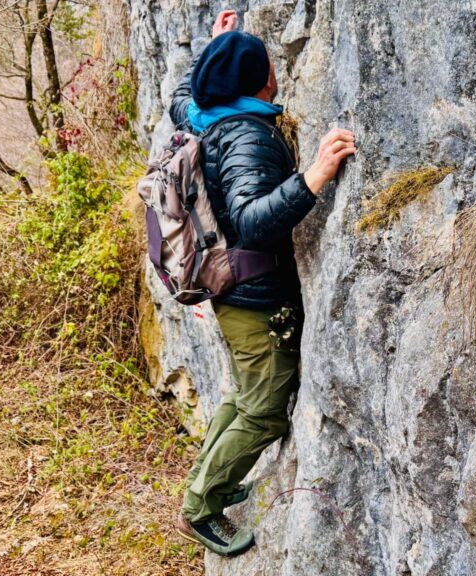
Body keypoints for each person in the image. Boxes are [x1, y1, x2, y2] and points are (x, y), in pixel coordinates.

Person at [168, 10, 356, 557]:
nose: (275, 69)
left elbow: (180, 96)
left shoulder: (205, 115)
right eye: (267, 63)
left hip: (228, 293)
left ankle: (215, 481)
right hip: (254, 300)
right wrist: (312, 177)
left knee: (244, 395)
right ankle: (201, 507)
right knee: (265, 409)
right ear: (259, 81)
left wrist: (216, 47)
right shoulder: (248, 135)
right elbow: (252, 220)